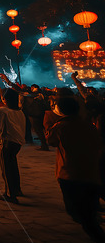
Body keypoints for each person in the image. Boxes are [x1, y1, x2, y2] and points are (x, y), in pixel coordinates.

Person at [45, 96, 105, 242]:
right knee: (87, 207)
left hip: (70, 174)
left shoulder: (60, 127)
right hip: (91, 173)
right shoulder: (89, 125)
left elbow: (51, 141)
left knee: (76, 211)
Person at [0, 88, 26, 204]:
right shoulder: (20, 112)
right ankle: (17, 189)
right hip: (17, 142)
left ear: (5, 100)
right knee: (13, 165)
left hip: (6, 141)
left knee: (6, 168)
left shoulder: (1, 111)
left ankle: (10, 194)